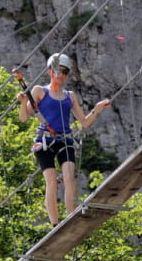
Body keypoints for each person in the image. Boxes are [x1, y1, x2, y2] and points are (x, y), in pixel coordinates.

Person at [16, 52, 112, 226]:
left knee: (69, 177)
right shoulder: (39, 91)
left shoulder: (70, 96)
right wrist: (23, 103)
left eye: (64, 72)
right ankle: (54, 224)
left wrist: (97, 109)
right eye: (57, 70)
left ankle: (70, 218)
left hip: (64, 140)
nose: (60, 75)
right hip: (44, 141)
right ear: (50, 71)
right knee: (51, 181)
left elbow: (84, 122)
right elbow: (23, 117)